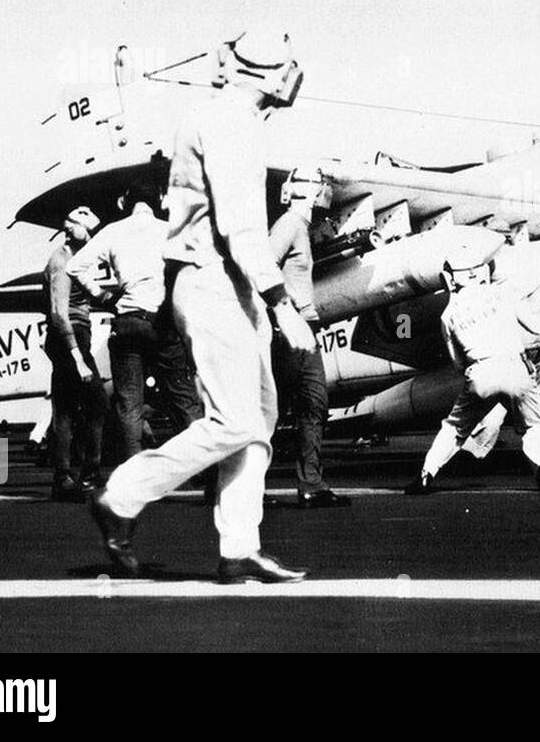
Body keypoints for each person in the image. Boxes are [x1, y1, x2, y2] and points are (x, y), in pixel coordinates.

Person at [89, 30, 315, 583]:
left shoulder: (227, 119)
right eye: (286, 64)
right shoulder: (234, 124)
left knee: (257, 420)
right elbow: (240, 229)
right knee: (234, 419)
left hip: (226, 284)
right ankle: (121, 496)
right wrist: (282, 303)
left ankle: (239, 548)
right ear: (269, 73)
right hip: (215, 282)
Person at [405, 238, 540, 494]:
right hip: (515, 367)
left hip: (479, 373)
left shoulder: (447, 315)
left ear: (450, 278)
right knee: (535, 423)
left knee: (455, 427)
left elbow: (458, 361)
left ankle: (426, 475)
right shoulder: (500, 294)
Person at [67, 181, 203, 461]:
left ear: (124, 203)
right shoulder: (170, 232)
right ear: (159, 201)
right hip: (164, 322)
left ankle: (134, 472)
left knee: (130, 406)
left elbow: (74, 267)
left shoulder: (113, 231)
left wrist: (101, 295)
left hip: (127, 321)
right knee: (184, 399)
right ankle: (207, 470)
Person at [269, 167, 342, 508]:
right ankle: (244, 486)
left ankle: (311, 483)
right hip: (287, 331)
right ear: (310, 192)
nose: (326, 192)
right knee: (272, 410)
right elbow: (264, 266)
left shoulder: (302, 227)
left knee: (314, 403)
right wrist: (294, 307)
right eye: (321, 186)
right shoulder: (288, 225)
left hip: (303, 330)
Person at [42, 205, 109, 500]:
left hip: (74, 336)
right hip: (68, 337)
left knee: (68, 406)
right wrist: (78, 358)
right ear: (74, 230)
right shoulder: (63, 261)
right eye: (89, 232)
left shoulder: (78, 258)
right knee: (91, 402)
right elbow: (59, 313)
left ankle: (68, 475)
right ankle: (80, 474)